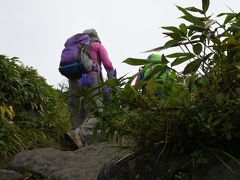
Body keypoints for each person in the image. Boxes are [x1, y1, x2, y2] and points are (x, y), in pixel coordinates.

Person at [66, 29, 116, 148]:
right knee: (96, 110)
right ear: (96, 36)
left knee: (78, 109)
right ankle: (81, 135)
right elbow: (108, 64)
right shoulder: (97, 45)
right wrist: (112, 80)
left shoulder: (77, 47)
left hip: (74, 80)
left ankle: (74, 135)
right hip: (91, 78)